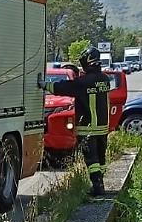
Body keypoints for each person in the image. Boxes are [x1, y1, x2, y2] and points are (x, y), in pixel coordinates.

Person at [38, 46, 112, 196]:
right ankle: (101, 183)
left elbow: (62, 87)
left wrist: (44, 84)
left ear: (87, 62)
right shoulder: (105, 79)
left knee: (92, 160)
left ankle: (97, 187)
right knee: (101, 158)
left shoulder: (83, 82)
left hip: (88, 128)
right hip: (103, 127)